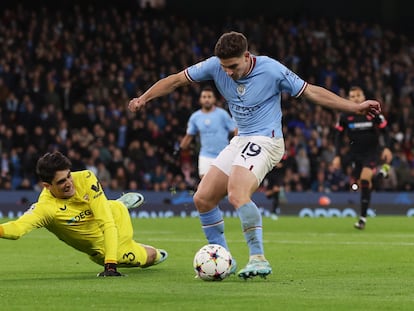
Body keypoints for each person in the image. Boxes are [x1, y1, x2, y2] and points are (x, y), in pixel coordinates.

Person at [128, 31, 381, 279]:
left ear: (247, 56)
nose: (227, 72)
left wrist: (355, 107)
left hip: (267, 139)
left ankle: (258, 258)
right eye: (224, 66)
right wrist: (144, 98)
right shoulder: (215, 66)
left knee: (237, 193)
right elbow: (175, 80)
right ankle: (223, 258)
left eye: (233, 66)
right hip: (241, 140)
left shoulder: (272, 70)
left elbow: (312, 92)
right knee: (203, 199)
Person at [0, 151, 168, 277]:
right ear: (47, 186)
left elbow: (106, 222)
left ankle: (119, 205)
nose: (69, 184)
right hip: (104, 247)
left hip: (112, 218)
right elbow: (17, 229)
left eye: (68, 176)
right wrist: (109, 258)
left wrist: (110, 266)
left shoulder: (86, 177)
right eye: (61, 182)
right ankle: (122, 214)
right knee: (154, 256)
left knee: (109, 210)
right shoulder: (46, 208)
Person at [333, 86, 392, 230]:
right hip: (355, 155)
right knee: (363, 185)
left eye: (358, 95)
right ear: (348, 98)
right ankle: (383, 171)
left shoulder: (372, 113)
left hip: (372, 152)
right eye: (352, 96)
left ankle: (362, 218)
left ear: (364, 97)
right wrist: (337, 156)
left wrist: (386, 147)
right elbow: (338, 137)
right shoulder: (345, 116)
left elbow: (386, 131)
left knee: (365, 179)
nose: (356, 98)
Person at [177, 85, 237, 179]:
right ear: (200, 99)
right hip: (205, 155)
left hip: (223, 155)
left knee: (223, 184)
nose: (207, 99)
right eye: (204, 97)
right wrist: (179, 149)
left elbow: (235, 130)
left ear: (214, 99)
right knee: (205, 183)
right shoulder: (195, 117)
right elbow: (189, 136)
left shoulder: (222, 114)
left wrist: (236, 148)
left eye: (209, 97)